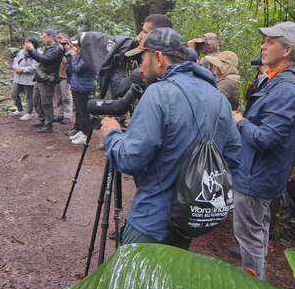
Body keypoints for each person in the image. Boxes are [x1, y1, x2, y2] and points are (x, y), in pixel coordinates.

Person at [99, 27, 241, 248]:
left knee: (132, 281)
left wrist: (112, 134)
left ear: (158, 57)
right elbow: (233, 156)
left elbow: (129, 159)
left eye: (142, 58)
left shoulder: (158, 94)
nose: (140, 67)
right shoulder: (218, 98)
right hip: (187, 221)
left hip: (151, 221)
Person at [232, 22, 295, 279]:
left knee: (249, 237)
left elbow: (268, 138)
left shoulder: (287, 89)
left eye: (270, 42)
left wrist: (240, 121)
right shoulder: (276, 81)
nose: (263, 47)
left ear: (287, 50)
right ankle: (253, 280)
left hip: (257, 176)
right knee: (257, 231)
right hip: (259, 172)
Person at [25, 29, 64, 133]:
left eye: (44, 36)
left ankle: (48, 125)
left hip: (48, 79)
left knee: (46, 103)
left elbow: (45, 59)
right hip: (40, 78)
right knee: (37, 100)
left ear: (51, 36)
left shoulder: (56, 49)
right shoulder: (49, 48)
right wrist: (30, 51)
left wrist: (32, 50)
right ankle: (42, 120)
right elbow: (41, 59)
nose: (42, 39)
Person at [67, 40, 98, 145]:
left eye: (76, 45)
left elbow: (78, 69)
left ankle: (86, 135)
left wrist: (74, 56)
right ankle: (81, 131)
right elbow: (71, 69)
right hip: (77, 86)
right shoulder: (81, 55)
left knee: (84, 112)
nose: (74, 47)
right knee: (80, 111)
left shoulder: (88, 56)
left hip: (84, 88)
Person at [11, 38, 38, 120]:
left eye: (28, 42)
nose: (25, 44)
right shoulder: (21, 51)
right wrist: (15, 67)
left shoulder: (36, 53)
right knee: (14, 93)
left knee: (29, 96)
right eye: (25, 42)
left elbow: (35, 67)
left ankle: (28, 113)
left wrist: (22, 69)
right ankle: (19, 109)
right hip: (18, 78)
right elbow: (16, 60)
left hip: (28, 79)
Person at [53, 33, 73, 124]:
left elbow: (67, 61)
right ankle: (60, 114)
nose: (59, 40)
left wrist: (63, 50)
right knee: (58, 97)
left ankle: (67, 116)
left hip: (65, 76)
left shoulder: (70, 50)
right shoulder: (56, 49)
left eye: (61, 38)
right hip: (57, 76)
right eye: (58, 38)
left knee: (66, 97)